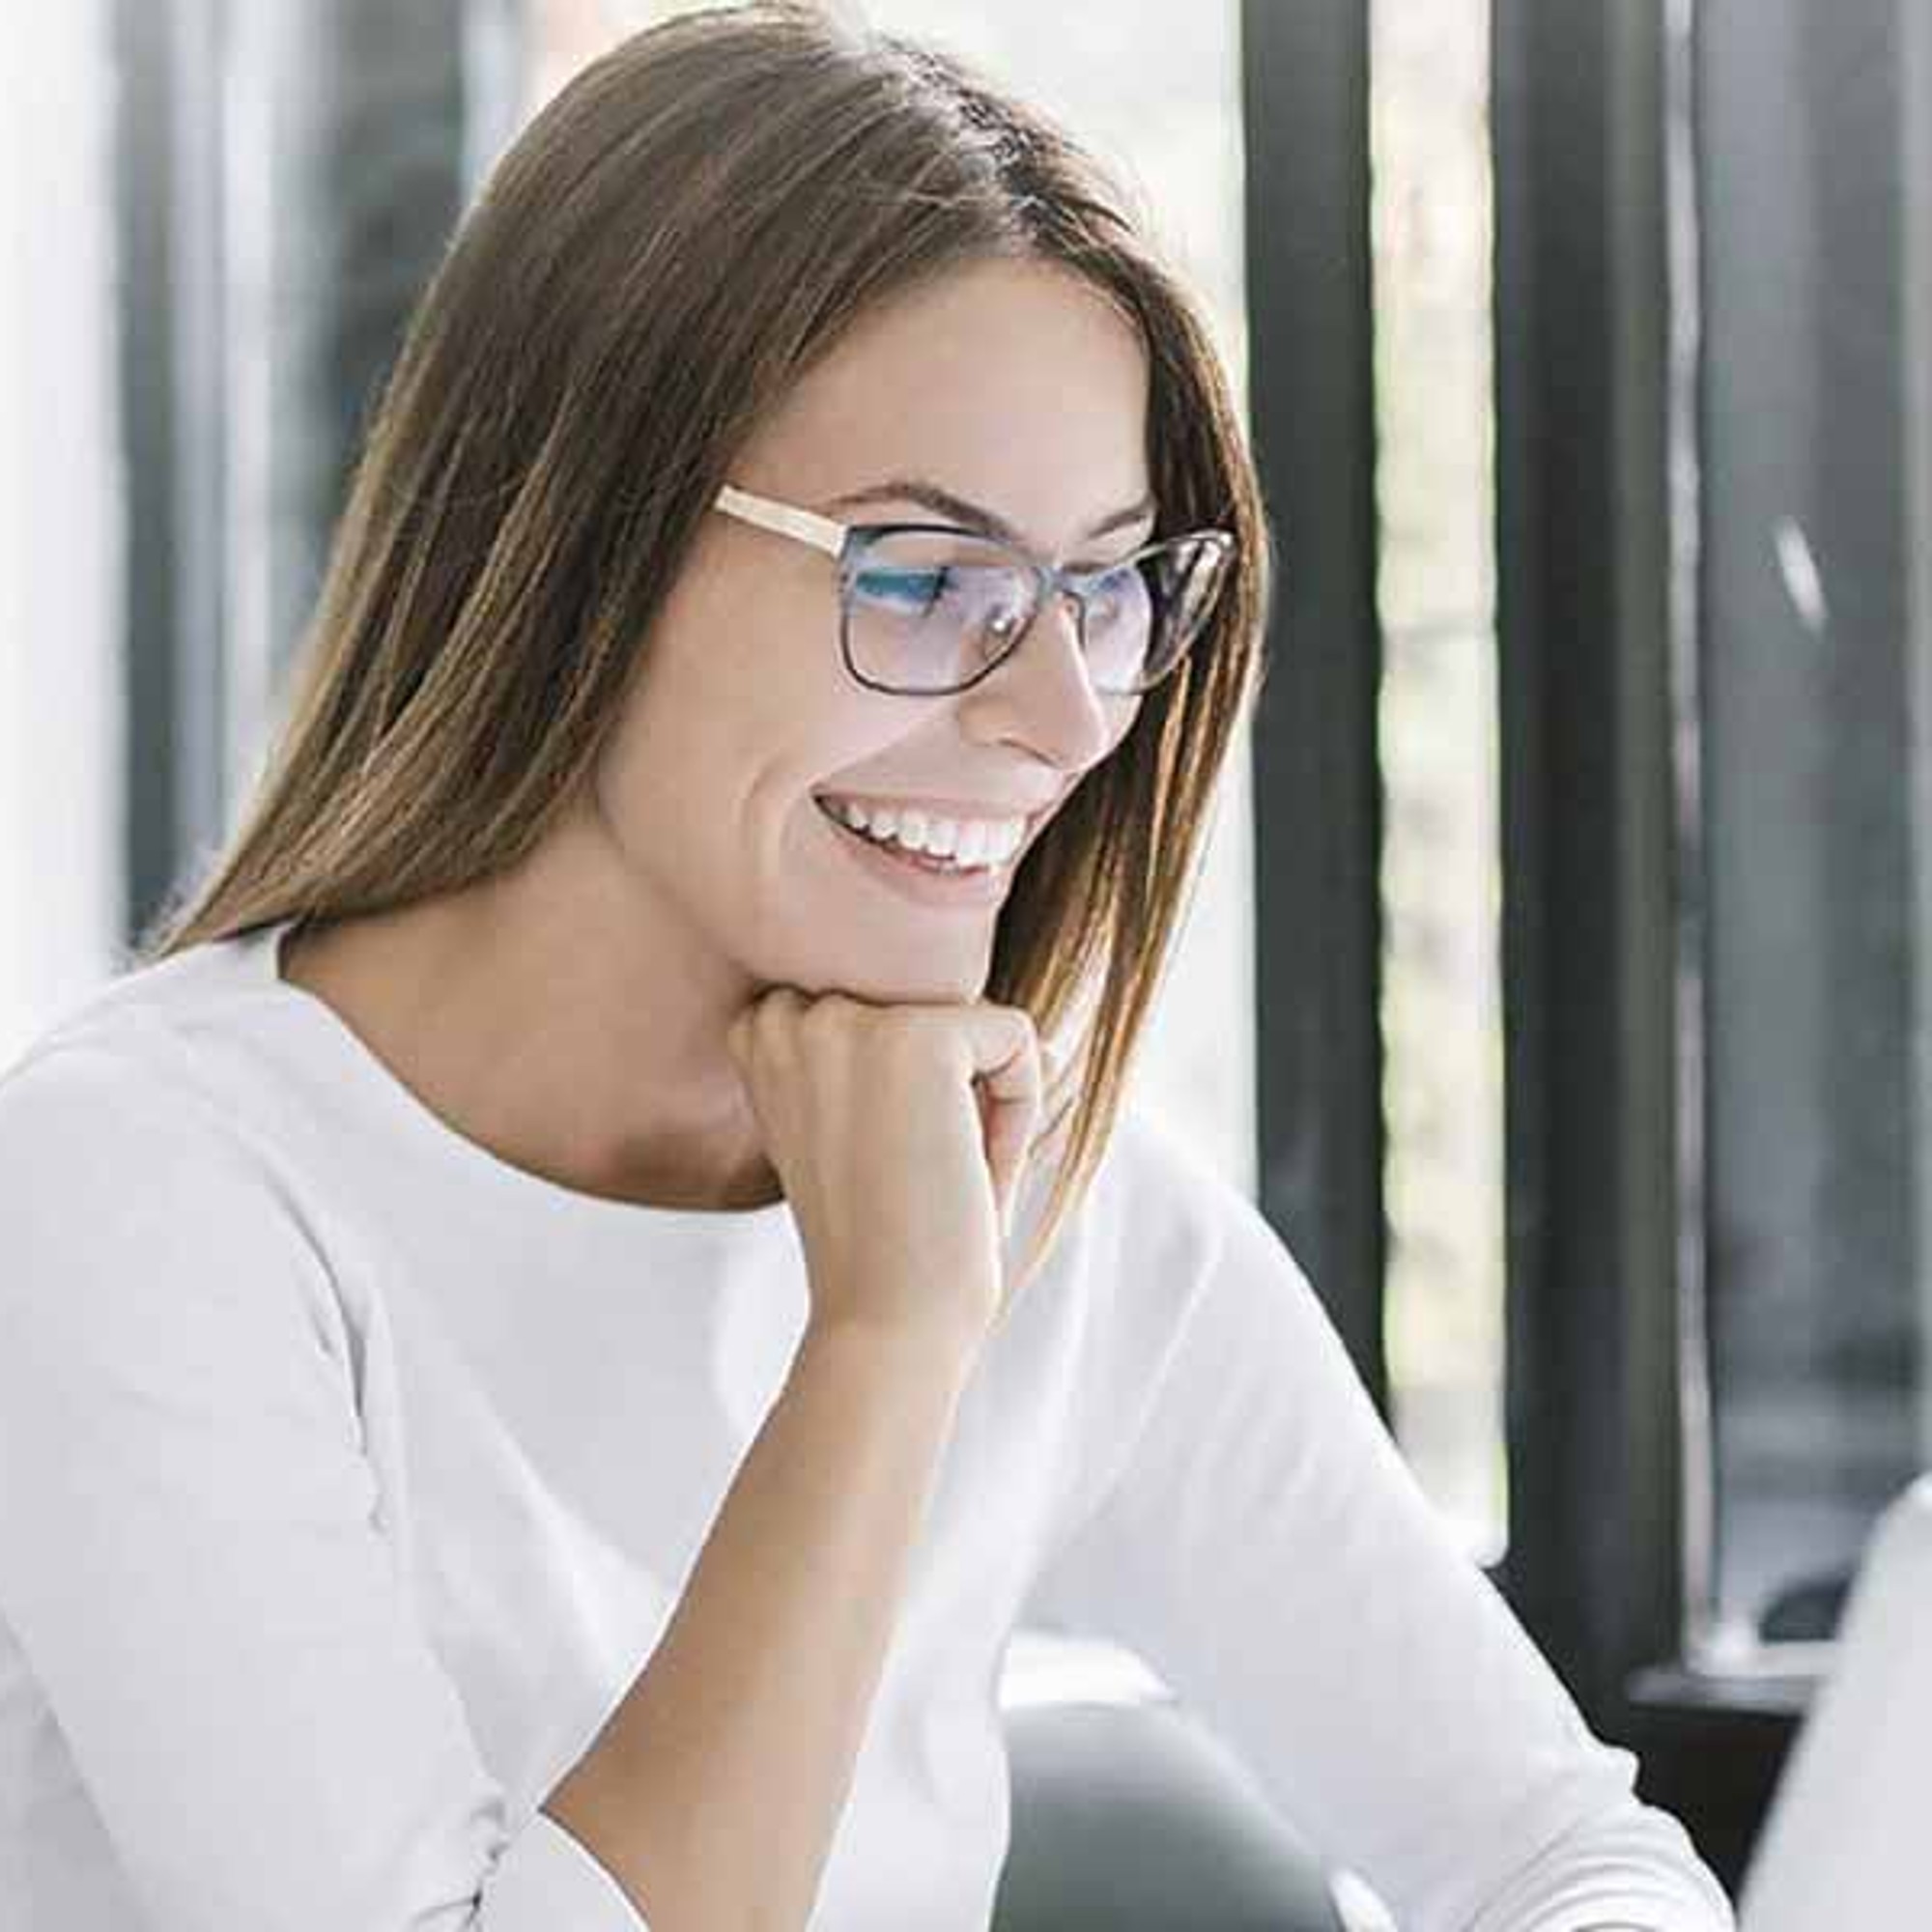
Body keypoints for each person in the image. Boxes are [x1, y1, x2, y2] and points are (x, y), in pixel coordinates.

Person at [0, 5, 1738, 1929]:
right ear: (571, 538)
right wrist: (885, 1338)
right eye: (920, 579)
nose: (1066, 713)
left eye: (1107, 589)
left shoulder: (1060, 1212)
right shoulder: (143, 1194)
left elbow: (1559, 1849)